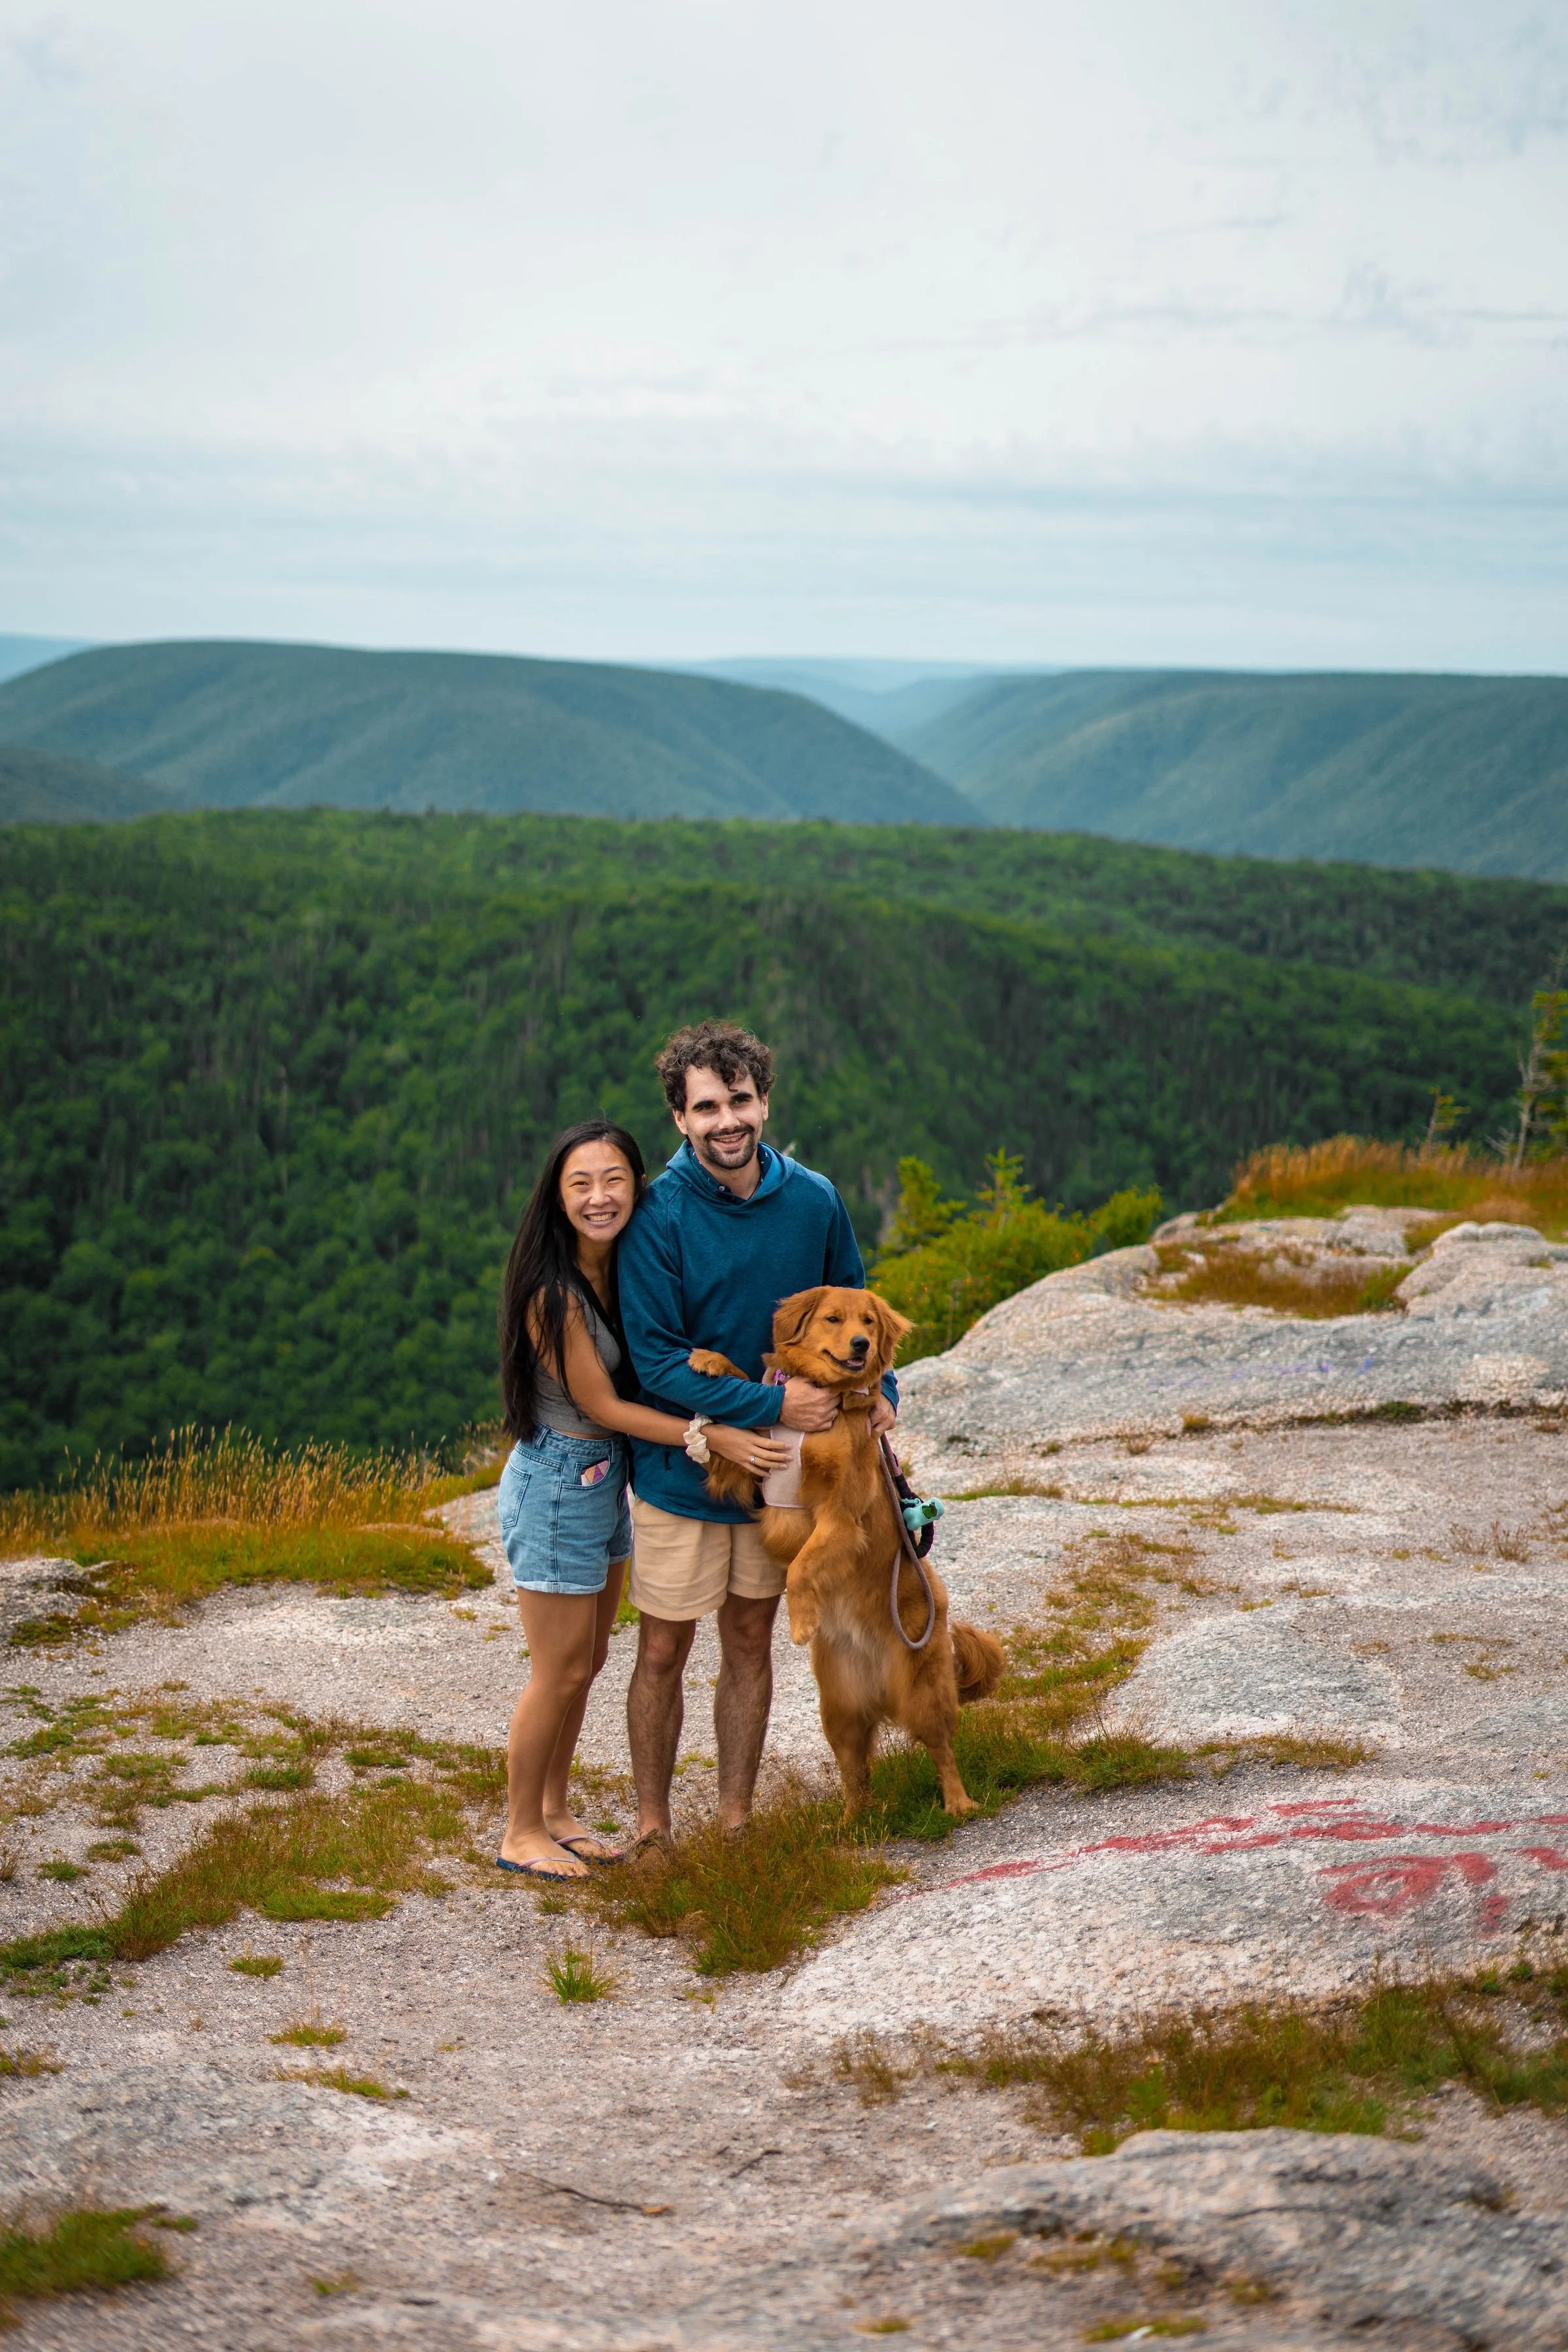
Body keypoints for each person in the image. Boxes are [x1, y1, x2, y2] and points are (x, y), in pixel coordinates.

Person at [616, 1021, 897, 1843]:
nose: (727, 1121)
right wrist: (771, 1410)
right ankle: (651, 1827)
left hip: (791, 1476)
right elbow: (657, 1364)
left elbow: (863, 1315)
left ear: (765, 1101)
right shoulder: (658, 1215)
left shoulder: (814, 1199)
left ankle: (734, 1821)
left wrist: (885, 1389)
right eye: (707, 1107)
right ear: (680, 1119)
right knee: (663, 1650)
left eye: (740, 1100)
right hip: (684, 1470)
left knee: (749, 1641)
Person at [495, 1119, 791, 1881]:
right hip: (560, 1481)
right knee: (557, 1668)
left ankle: (556, 1811)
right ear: (556, 1199)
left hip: (601, 1483)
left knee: (588, 1659)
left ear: (639, 1181)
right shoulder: (554, 1294)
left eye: (614, 1180)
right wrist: (716, 1434)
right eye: (580, 1185)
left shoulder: (613, 1264)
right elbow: (608, 1406)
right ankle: (520, 1829)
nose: (600, 1198)